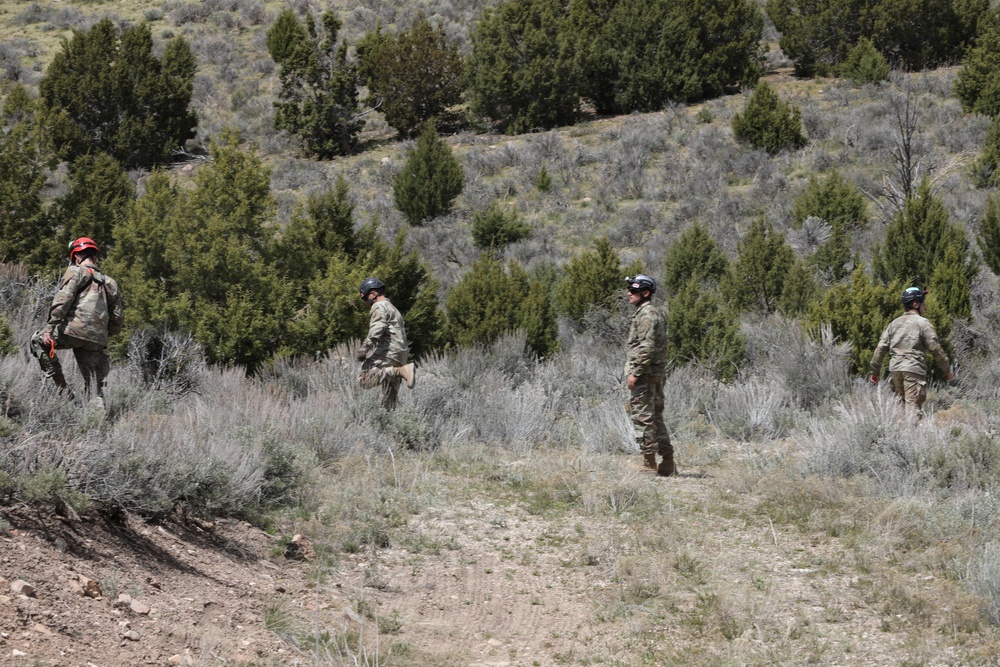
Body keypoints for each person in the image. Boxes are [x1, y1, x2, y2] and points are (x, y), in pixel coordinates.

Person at [30, 237, 124, 401]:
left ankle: (64, 392)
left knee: (37, 341)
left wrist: (49, 328)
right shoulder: (109, 282)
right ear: (95, 258)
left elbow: (62, 301)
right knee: (94, 384)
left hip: (72, 331)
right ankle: (98, 420)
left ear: (77, 257)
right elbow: (117, 318)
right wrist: (104, 336)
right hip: (97, 339)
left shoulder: (76, 271)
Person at [870, 287, 953, 418]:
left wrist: (875, 372)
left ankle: (900, 435)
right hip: (913, 369)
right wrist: (947, 370)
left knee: (900, 408)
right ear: (916, 304)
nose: (925, 306)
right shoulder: (923, 323)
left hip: (895, 369)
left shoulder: (893, 324)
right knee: (913, 408)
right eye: (923, 302)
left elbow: (880, 348)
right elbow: (936, 349)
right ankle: (913, 436)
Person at [625, 274, 674, 476]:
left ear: (645, 293)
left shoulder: (646, 315)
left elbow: (646, 347)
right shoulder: (653, 313)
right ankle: (667, 462)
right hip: (655, 373)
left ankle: (649, 463)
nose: (629, 294)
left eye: (634, 291)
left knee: (643, 417)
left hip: (645, 374)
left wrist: (635, 373)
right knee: (655, 417)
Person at [356, 277, 415, 410]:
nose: (365, 303)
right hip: (401, 353)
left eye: (365, 298)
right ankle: (389, 423)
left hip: (389, 351)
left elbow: (378, 327)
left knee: (364, 379)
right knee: (389, 399)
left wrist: (365, 348)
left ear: (373, 293)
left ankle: (401, 371)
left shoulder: (379, 306)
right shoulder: (393, 308)